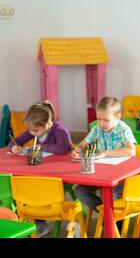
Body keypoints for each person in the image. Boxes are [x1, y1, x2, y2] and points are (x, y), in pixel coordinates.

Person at [8, 100, 71, 237]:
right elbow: (16, 140)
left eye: (35, 130)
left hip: (60, 173)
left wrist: (39, 148)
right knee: (25, 186)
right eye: (30, 130)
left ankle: (40, 220)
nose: (32, 133)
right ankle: (40, 222)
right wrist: (14, 147)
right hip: (41, 170)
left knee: (34, 188)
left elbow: (62, 148)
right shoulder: (36, 129)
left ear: (48, 123)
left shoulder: (60, 130)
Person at [73, 97, 136, 214]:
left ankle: (114, 222)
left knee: (111, 194)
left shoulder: (123, 129)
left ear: (117, 117)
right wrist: (77, 149)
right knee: (80, 191)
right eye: (98, 119)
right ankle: (106, 214)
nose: (101, 123)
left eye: (106, 120)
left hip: (122, 175)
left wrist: (106, 152)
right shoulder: (96, 129)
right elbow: (83, 143)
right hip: (101, 174)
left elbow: (131, 151)